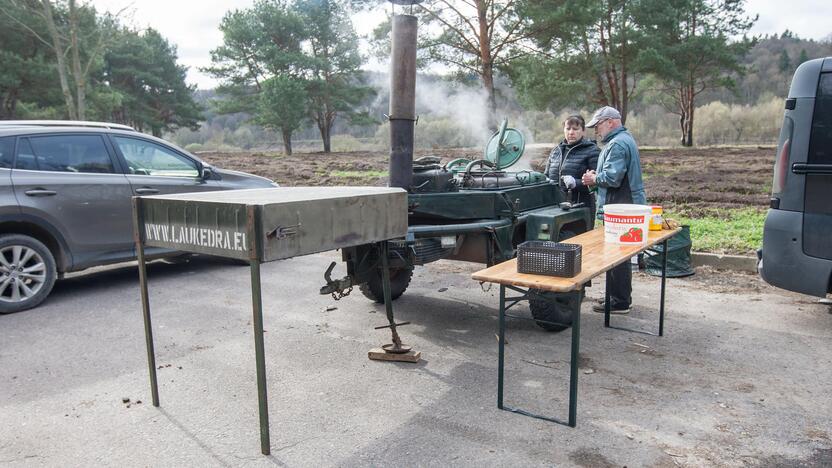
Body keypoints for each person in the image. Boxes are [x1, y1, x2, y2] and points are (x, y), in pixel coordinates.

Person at [581, 106, 646, 314]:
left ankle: (618, 302)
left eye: (598, 126)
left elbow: (612, 178)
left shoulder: (617, 144)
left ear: (610, 122)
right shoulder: (625, 139)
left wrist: (593, 178)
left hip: (621, 209)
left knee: (617, 256)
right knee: (620, 256)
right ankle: (618, 297)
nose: (597, 131)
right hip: (625, 206)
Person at [545, 115, 600, 228]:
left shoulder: (592, 151)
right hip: (554, 209)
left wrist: (576, 183)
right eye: (568, 128)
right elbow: (546, 175)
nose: (571, 132)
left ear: (583, 131)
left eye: (575, 129)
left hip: (580, 209)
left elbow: (598, 182)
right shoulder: (556, 151)